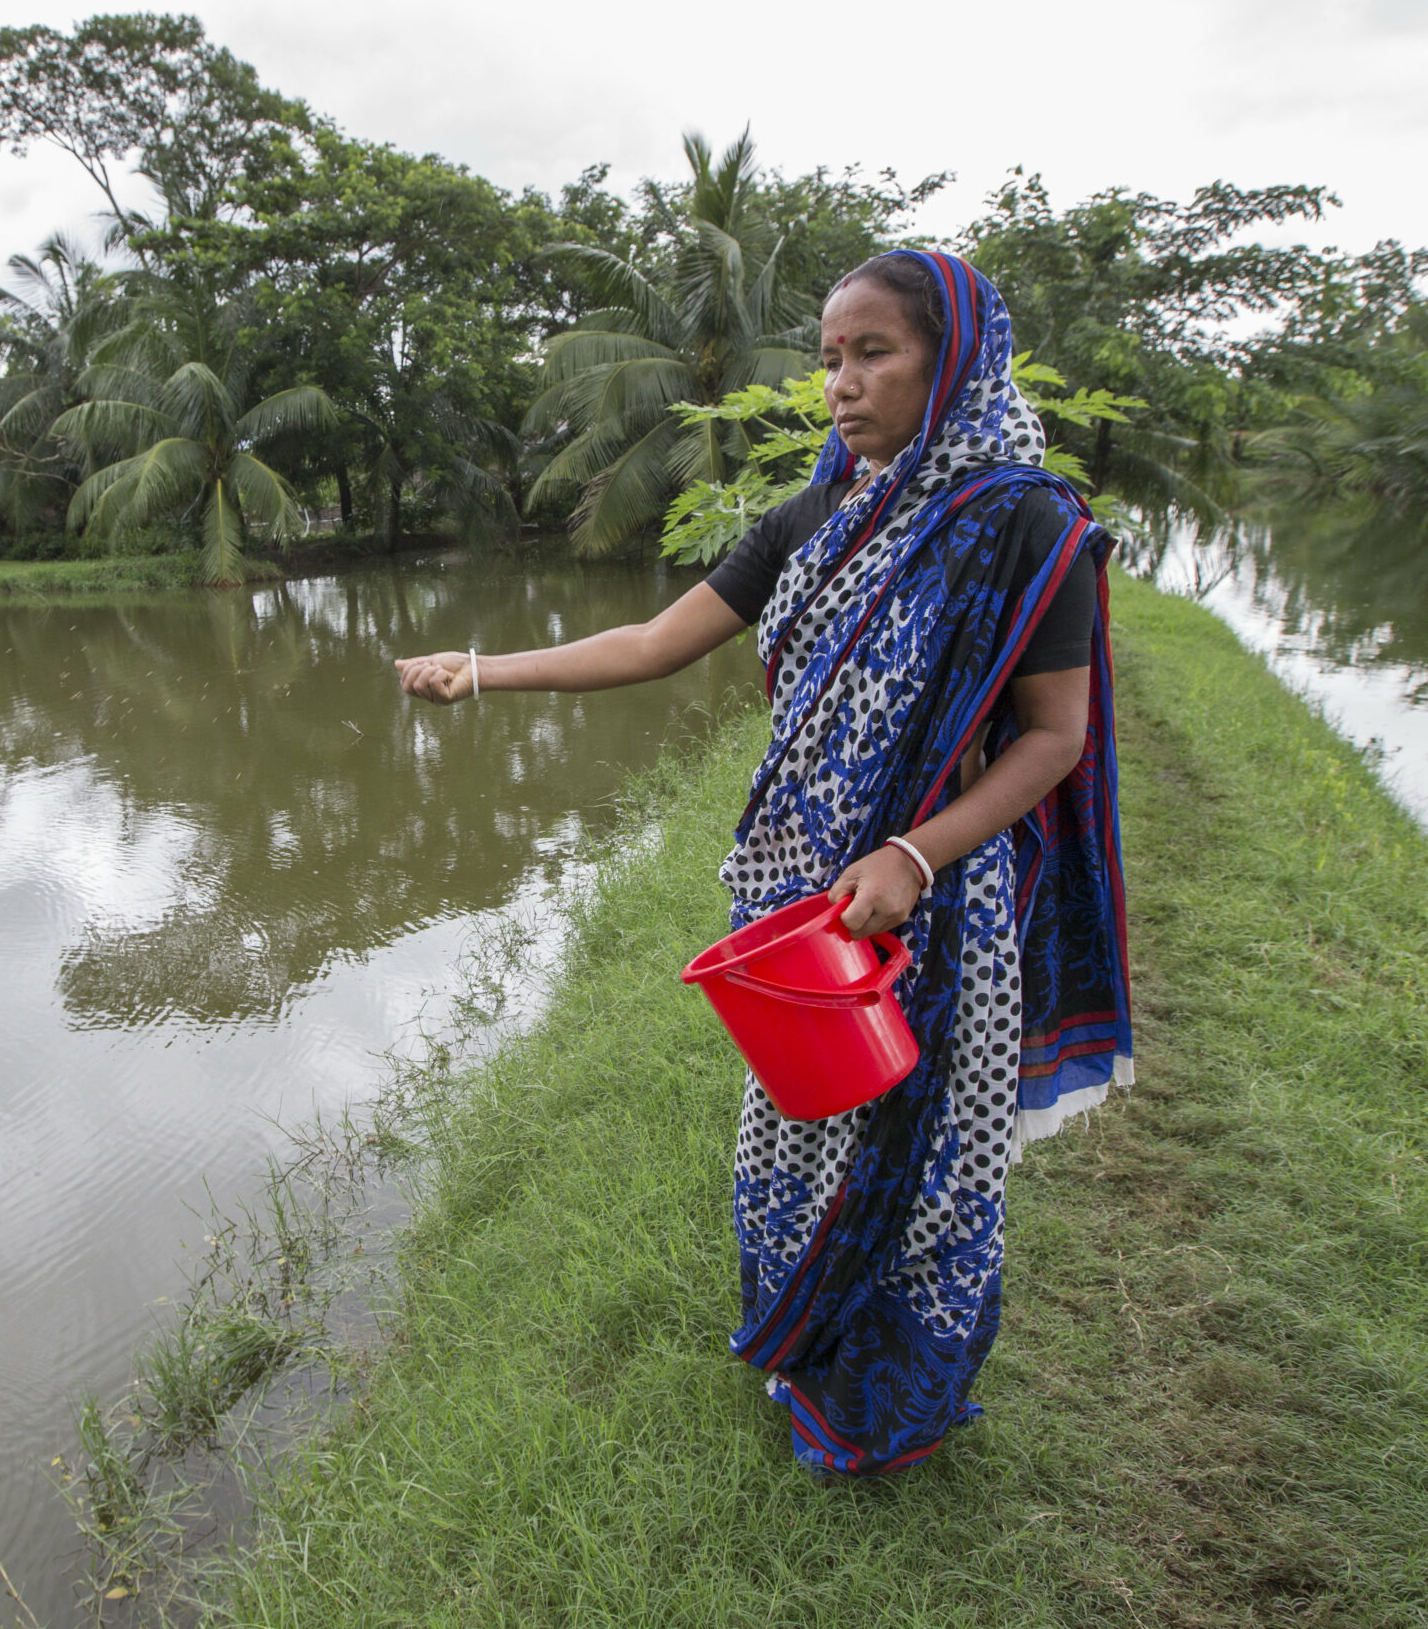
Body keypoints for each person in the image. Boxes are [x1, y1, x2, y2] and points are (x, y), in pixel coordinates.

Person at [394, 250, 1131, 1476]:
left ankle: (893, 1409)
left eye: (873, 353)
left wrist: (914, 850)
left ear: (951, 359)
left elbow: (1054, 738)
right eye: (830, 358)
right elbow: (651, 642)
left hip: (935, 903)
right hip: (806, 903)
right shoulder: (821, 512)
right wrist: (479, 674)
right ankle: (808, 1349)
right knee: (800, 1128)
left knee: (930, 1163)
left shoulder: (1023, 521)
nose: (839, 384)